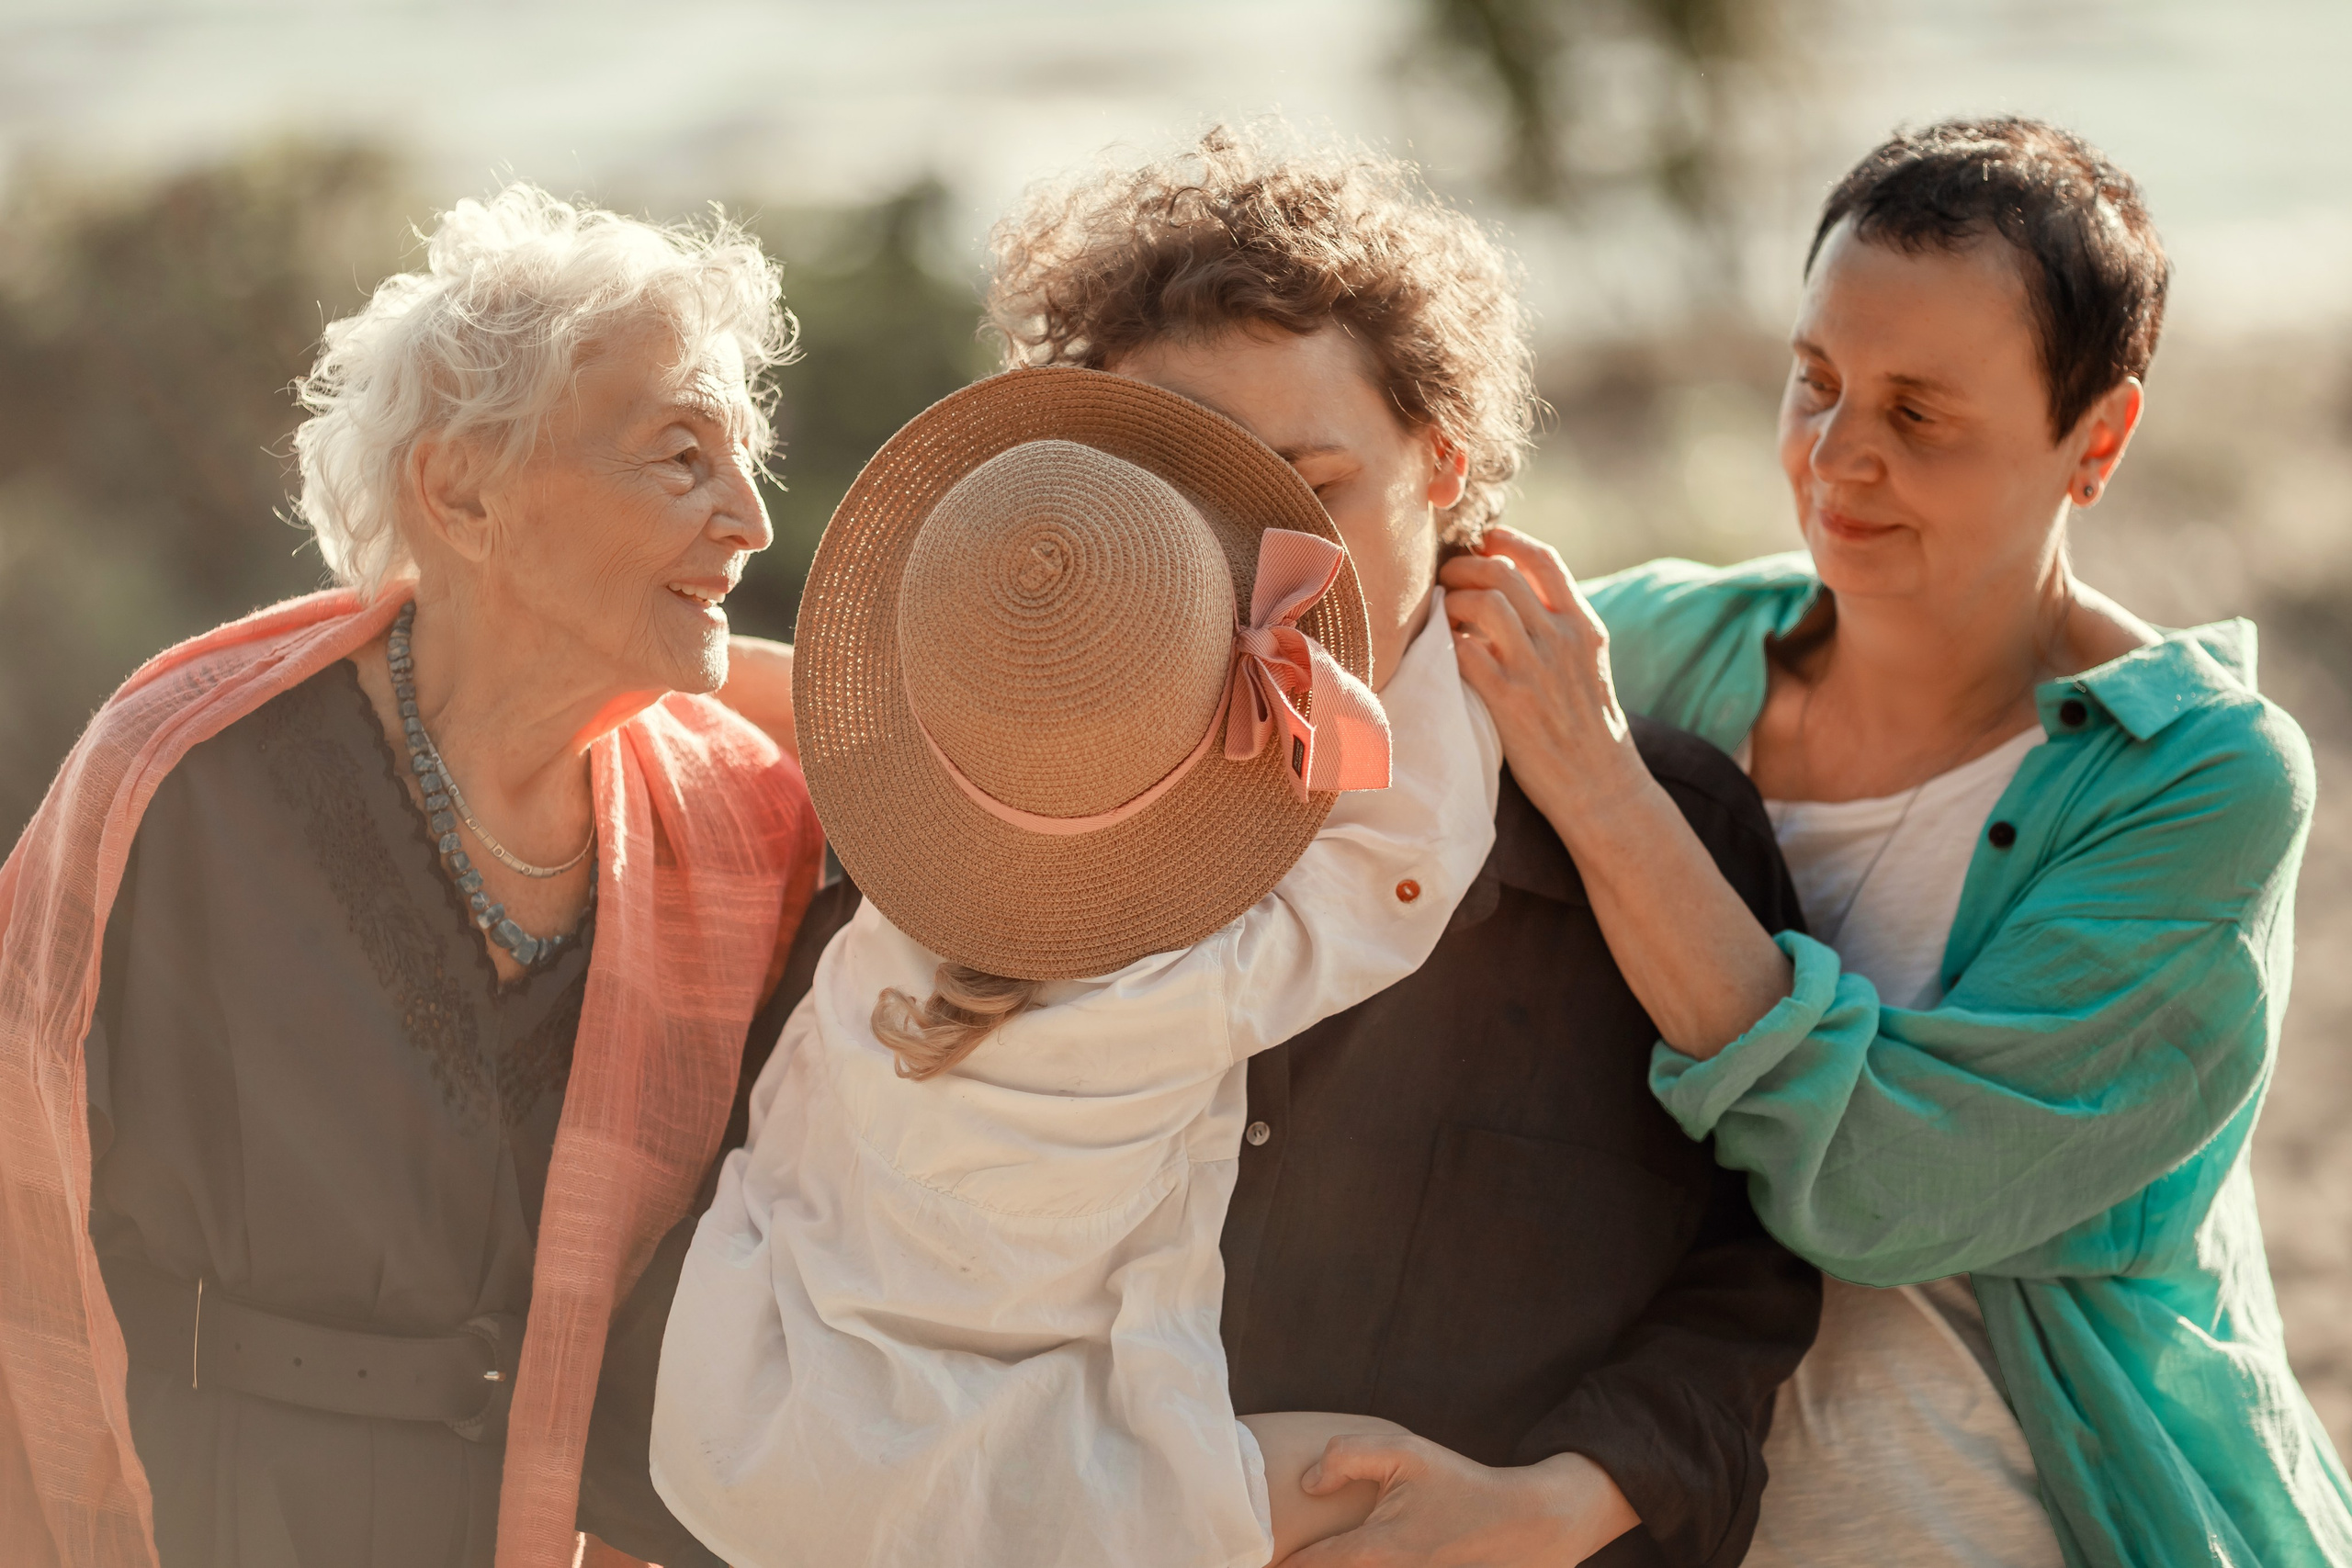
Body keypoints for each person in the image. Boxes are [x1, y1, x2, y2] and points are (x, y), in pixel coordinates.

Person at [603, 126, 1820, 1568]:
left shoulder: (1655, 827)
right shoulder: (958, 825)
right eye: (1181, 499)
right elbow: (796, 1235)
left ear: (1447, 463)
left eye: (1317, 488)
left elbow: (1763, 1263)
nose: (1253, 566)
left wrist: (1570, 1498)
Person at [1435, 117, 2352, 1565]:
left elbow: (1883, 1188)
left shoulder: (2197, 785)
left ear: (2096, 441)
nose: (1837, 459)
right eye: (1814, 384)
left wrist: (1605, 790)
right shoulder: (1669, 646)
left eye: (1920, 414)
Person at [0, 185, 822, 1568]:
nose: (748, 517)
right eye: (682, 455)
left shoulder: (746, 827)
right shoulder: (183, 781)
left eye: (747, 459)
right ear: (459, 491)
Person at [654, 368, 1508, 1567]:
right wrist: (1449, 663)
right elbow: (1403, 864)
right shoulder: (1187, 988)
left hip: (755, 1439)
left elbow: (791, 695)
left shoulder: (878, 944)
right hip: (1033, 1497)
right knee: (1377, 1481)